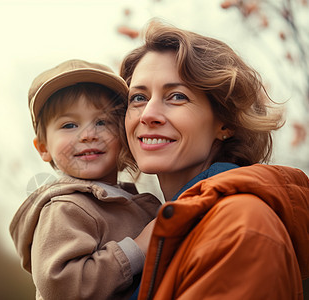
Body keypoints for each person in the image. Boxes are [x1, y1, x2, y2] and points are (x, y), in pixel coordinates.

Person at [120, 20, 309, 299]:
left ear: (225, 123)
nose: (148, 114)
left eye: (176, 97)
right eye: (138, 97)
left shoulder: (240, 225)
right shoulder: (163, 226)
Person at [9, 59, 161, 299]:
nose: (88, 135)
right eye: (69, 125)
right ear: (43, 148)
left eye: (102, 122)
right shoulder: (64, 207)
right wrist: (139, 248)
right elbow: (60, 286)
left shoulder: (127, 198)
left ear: (124, 133)